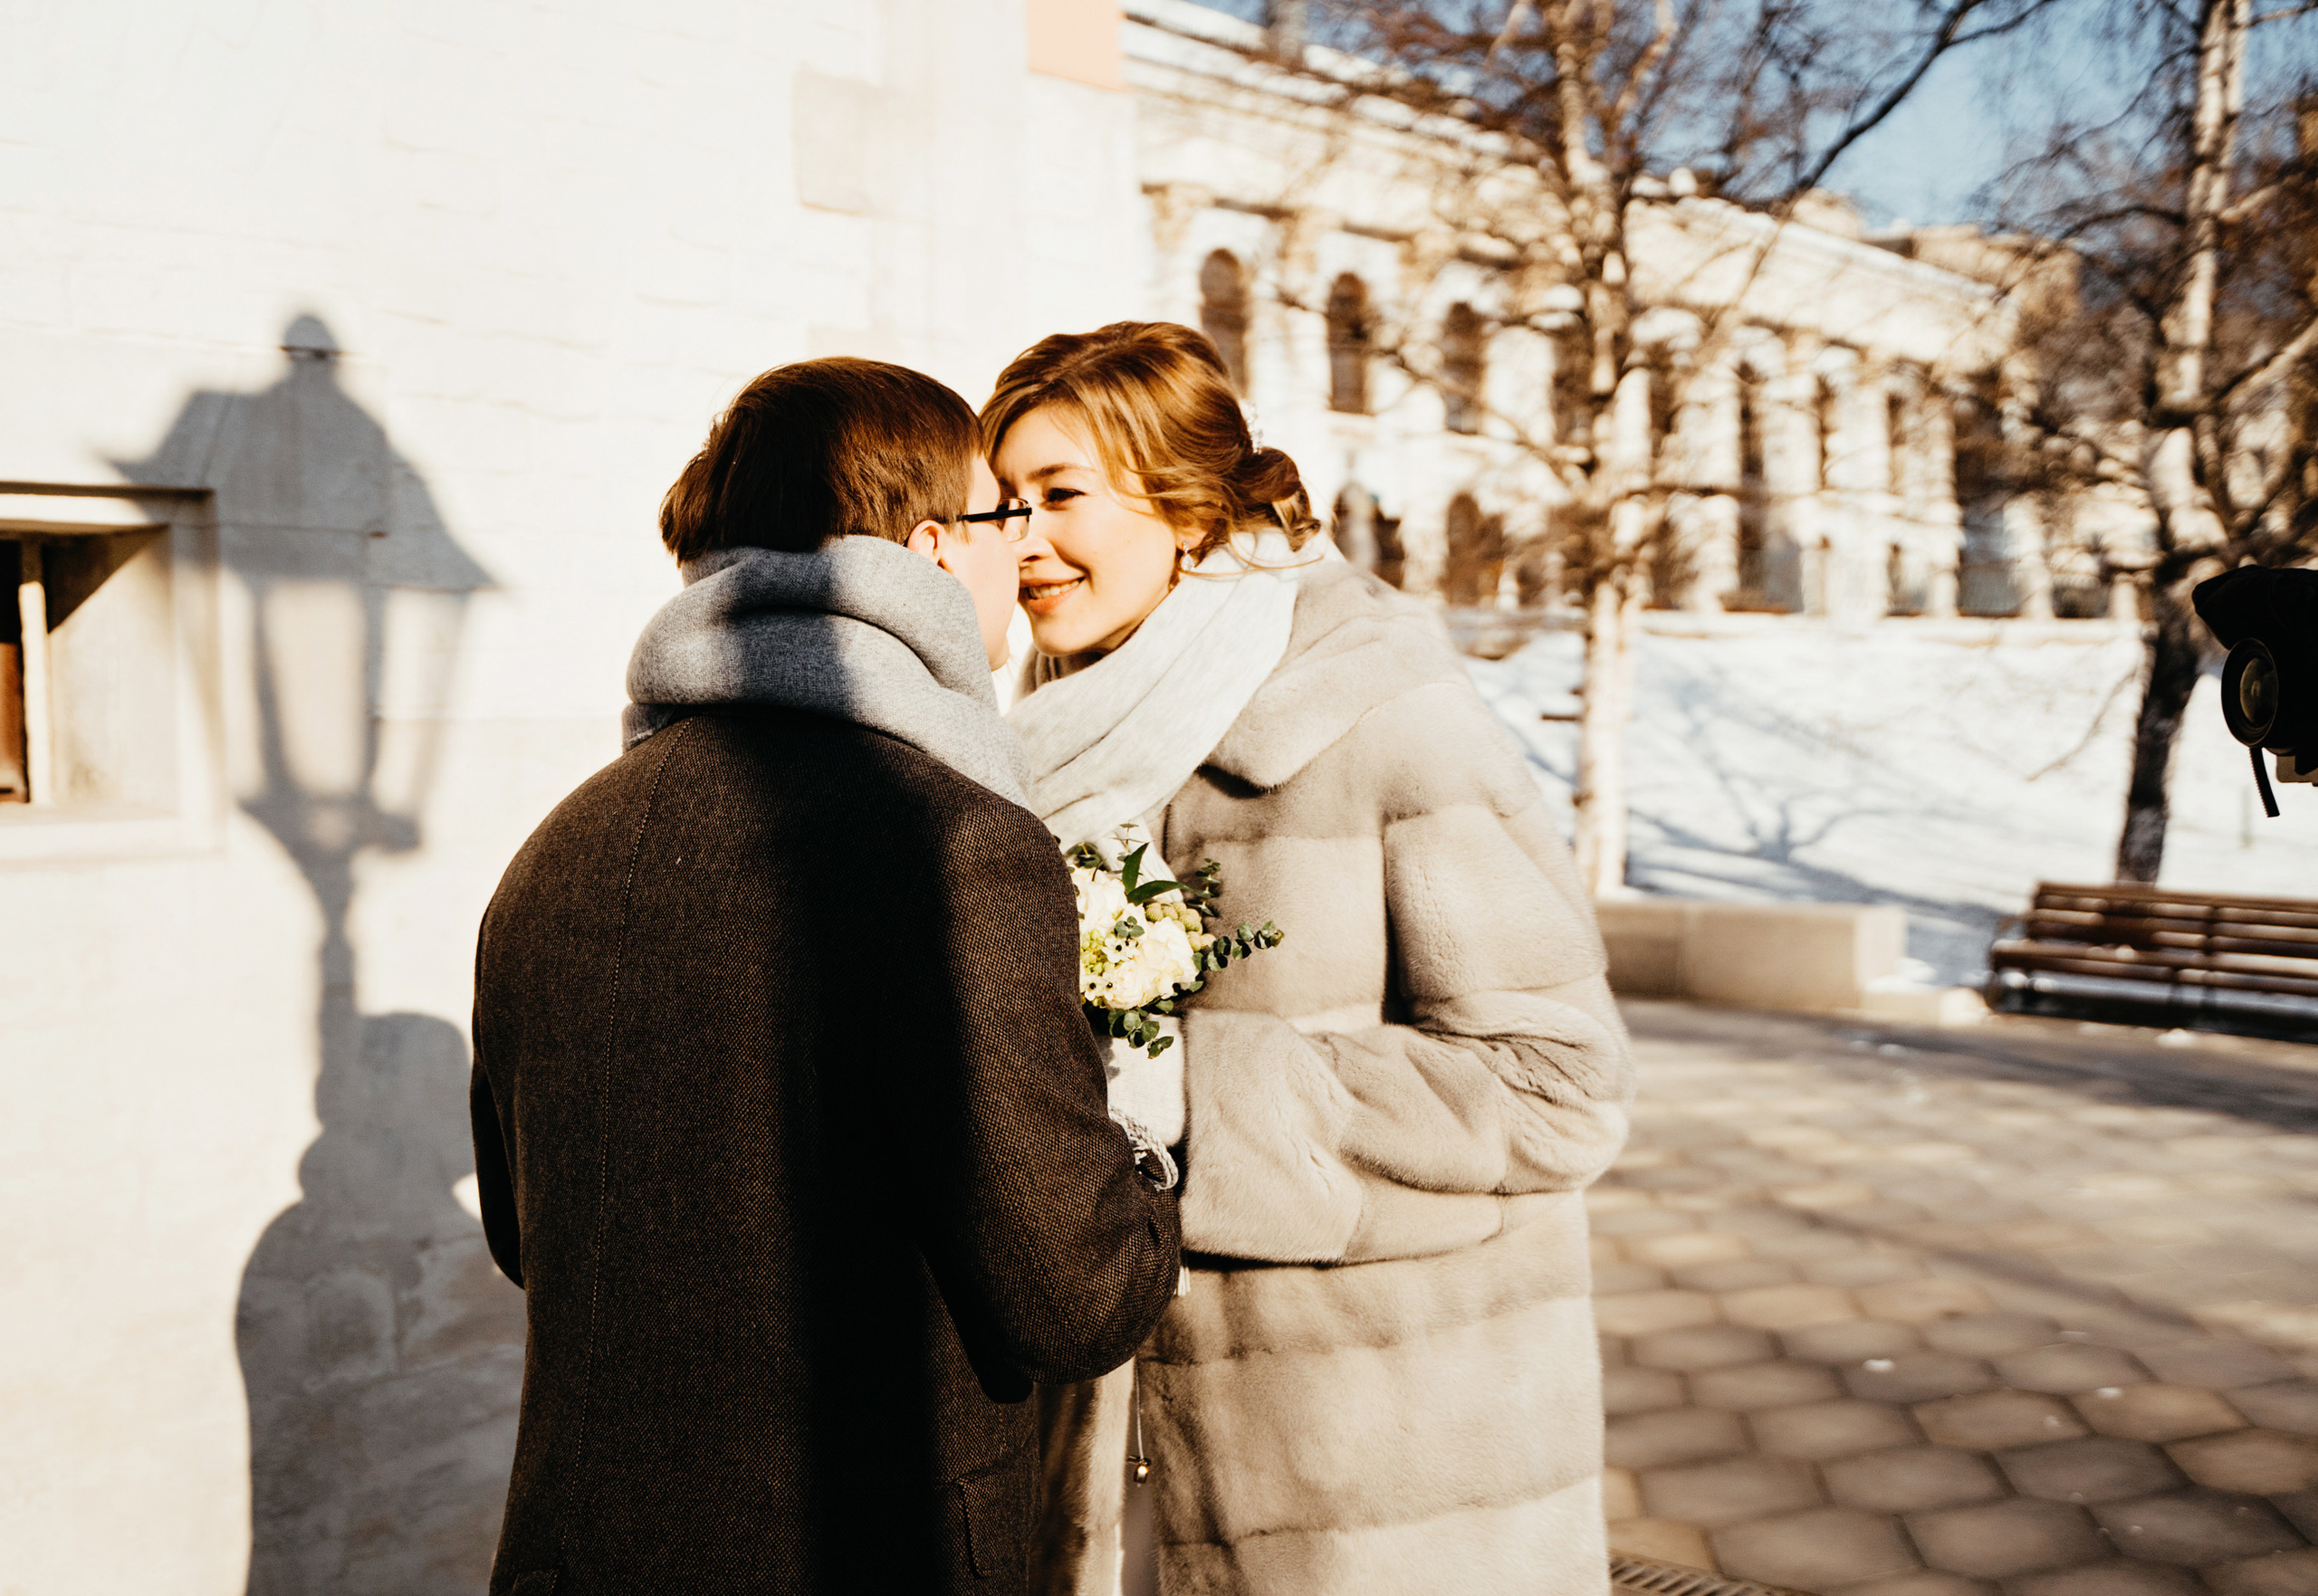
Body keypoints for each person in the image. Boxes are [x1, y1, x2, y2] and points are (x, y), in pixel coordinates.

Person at [468, 357, 1183, 1595]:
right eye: (1002, 520)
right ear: (929, 551)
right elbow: (1074, 1298)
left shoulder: (559, 846)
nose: (1022, 556)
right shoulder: (957, 847)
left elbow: (528, 1237)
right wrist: (1147, 1142)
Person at [991, 323, 1634, 1596]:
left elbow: (1560, 1091)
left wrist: (1187, 1097)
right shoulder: (1063, 737)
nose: (1021, 542)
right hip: (1113, 1455)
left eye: (1061, 497)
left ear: (1184, 506)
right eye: (1003, 503)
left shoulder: (1375, 711)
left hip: (1374, 1475)